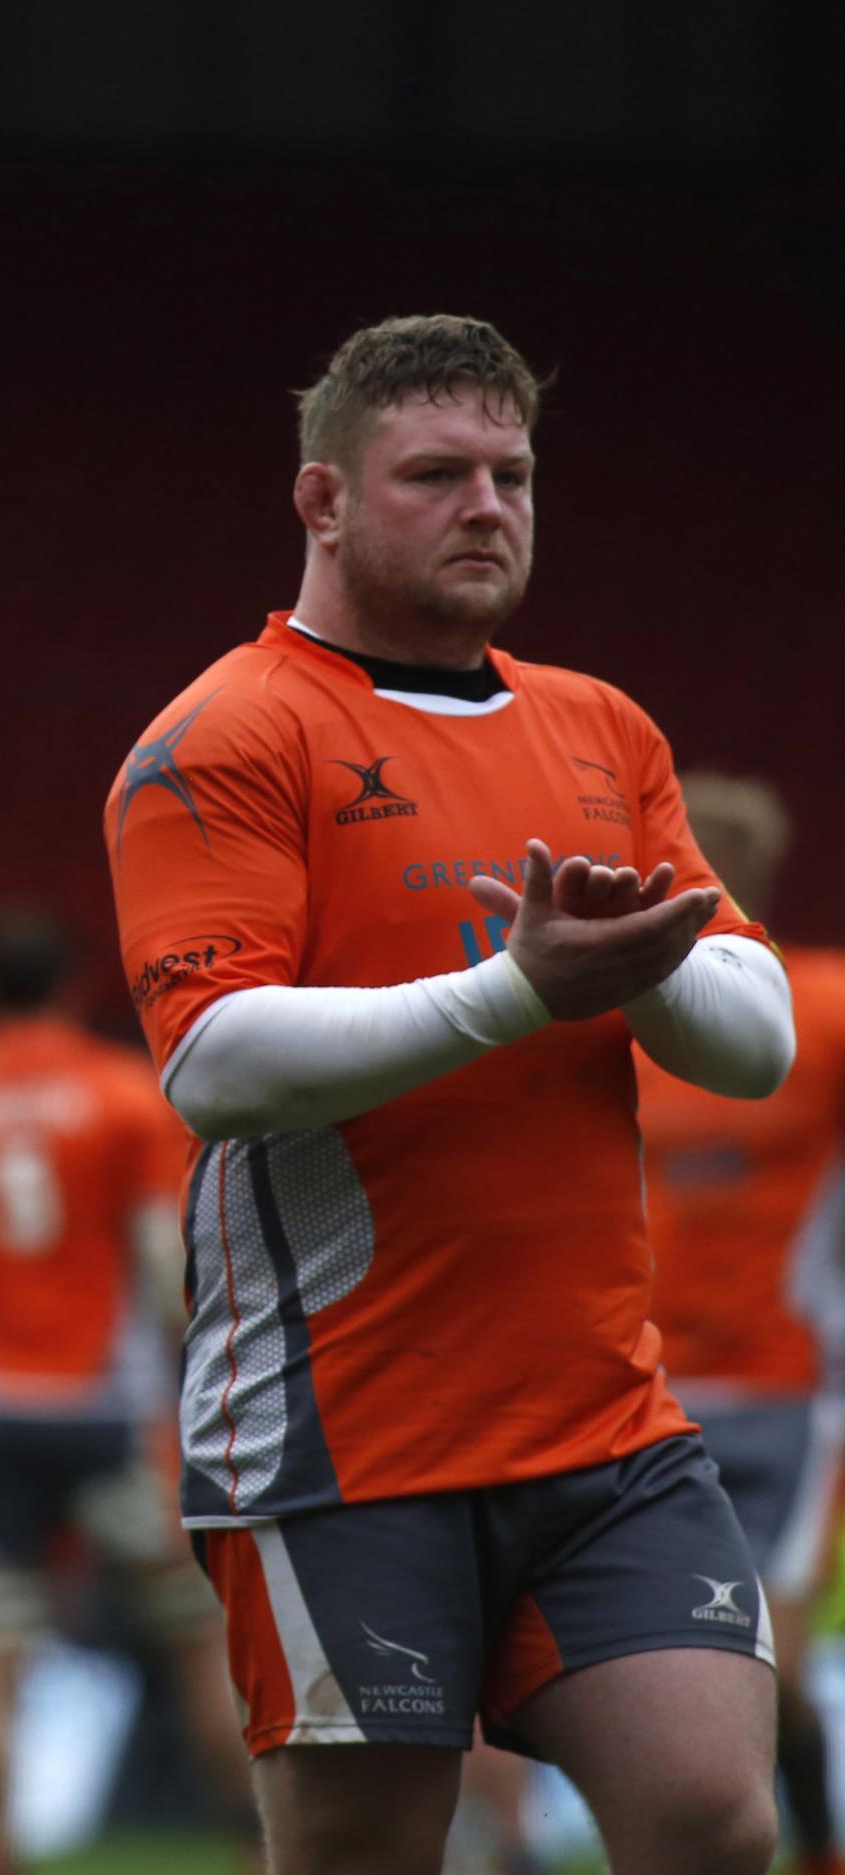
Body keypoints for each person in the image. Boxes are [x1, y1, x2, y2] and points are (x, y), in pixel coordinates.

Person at [104, 313, 796, 1875]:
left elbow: (754, 1043)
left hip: (605, 1422)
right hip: (342, 1434)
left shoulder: (600, 728)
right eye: (436, 474)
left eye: (513, 473)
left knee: (712, 1816)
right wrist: (518, 991)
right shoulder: (227, 732)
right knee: (365, 1855)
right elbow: (212, 1063)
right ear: (323, 500)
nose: (488, 505)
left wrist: (632, 969)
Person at [0, 914, 252, 1873]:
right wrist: (199, 1391)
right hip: (112, 1417)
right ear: (68, 984)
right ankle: (254, 1848)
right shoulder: (120, 1092)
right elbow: (165, 1258)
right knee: (199, 1642)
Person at [639, 773, 845, 1875]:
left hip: (783, 1387)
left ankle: (814, 1850)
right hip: (645, 1389)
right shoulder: (611, 1020)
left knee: (766, 1653)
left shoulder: (823, 1010)